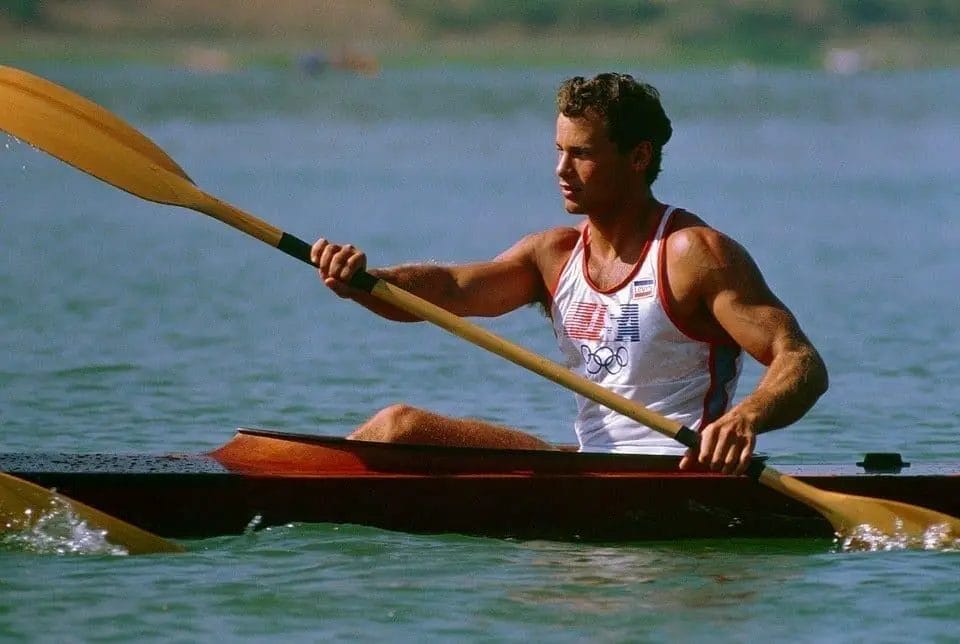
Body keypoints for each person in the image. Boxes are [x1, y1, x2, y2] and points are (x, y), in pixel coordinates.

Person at [311, 72, 828, 475]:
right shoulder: (552, 255)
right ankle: (287, 488)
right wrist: (362, 280)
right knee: (397, 428)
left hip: (680, 470)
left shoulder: (693, 254)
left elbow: (800, 360)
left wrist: (747, 417)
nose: (561, 170)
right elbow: (446, 290)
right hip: (590, 464)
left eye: (582, 154)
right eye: (559, 151)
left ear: (638, 157)